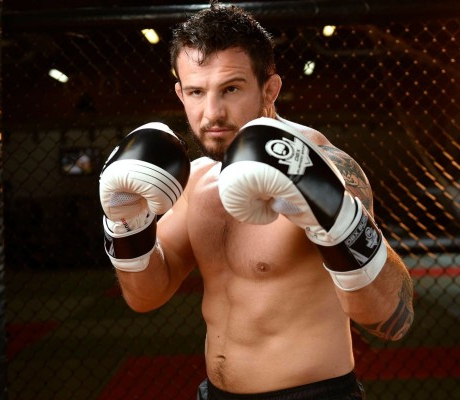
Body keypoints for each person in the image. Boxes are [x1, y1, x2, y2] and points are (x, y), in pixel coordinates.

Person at [99, 2, 414, 399]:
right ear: (180, 93)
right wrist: (126, 224)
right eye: (196, 92)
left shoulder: (323, 167)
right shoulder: (197, 180)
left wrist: (334, 214)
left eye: (231, 89)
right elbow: (145, 296)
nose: (212, 113)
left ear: (269, 89)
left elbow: (391, 319)